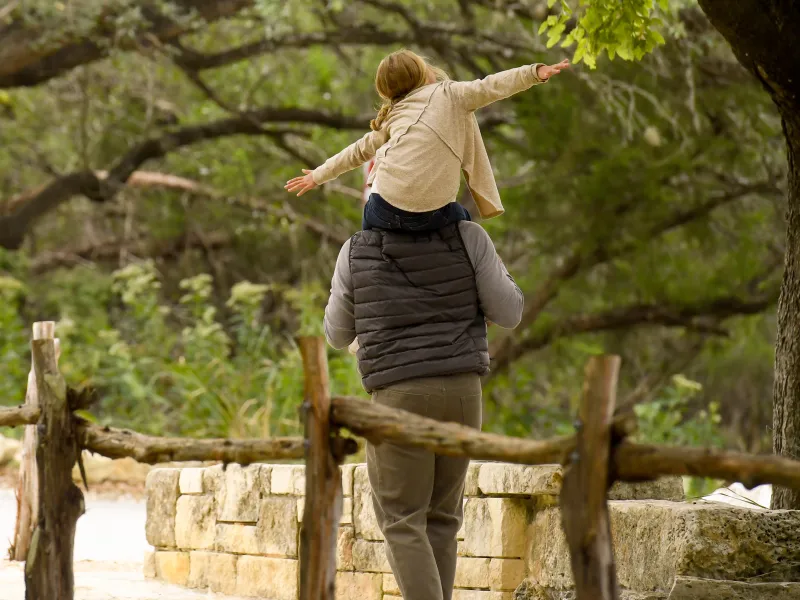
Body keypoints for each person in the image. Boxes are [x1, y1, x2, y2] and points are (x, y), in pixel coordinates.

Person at [323, 219, 523, 600]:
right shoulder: (469, 236)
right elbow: (509, 312)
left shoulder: (355, 248)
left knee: (402, 519)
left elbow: (336, 333)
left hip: (398, 395)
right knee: (443, 518)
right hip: (464, 394)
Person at [285, 49, 569, 230]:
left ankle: (368, 254)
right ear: (424, 73)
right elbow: (492, 86)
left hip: (383, 207)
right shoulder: (451, 94)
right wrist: (534, 73)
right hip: (432, 214)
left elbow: (359, 151)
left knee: (366, 234)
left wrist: (318, 176)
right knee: (465, 225)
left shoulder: (394, 114)